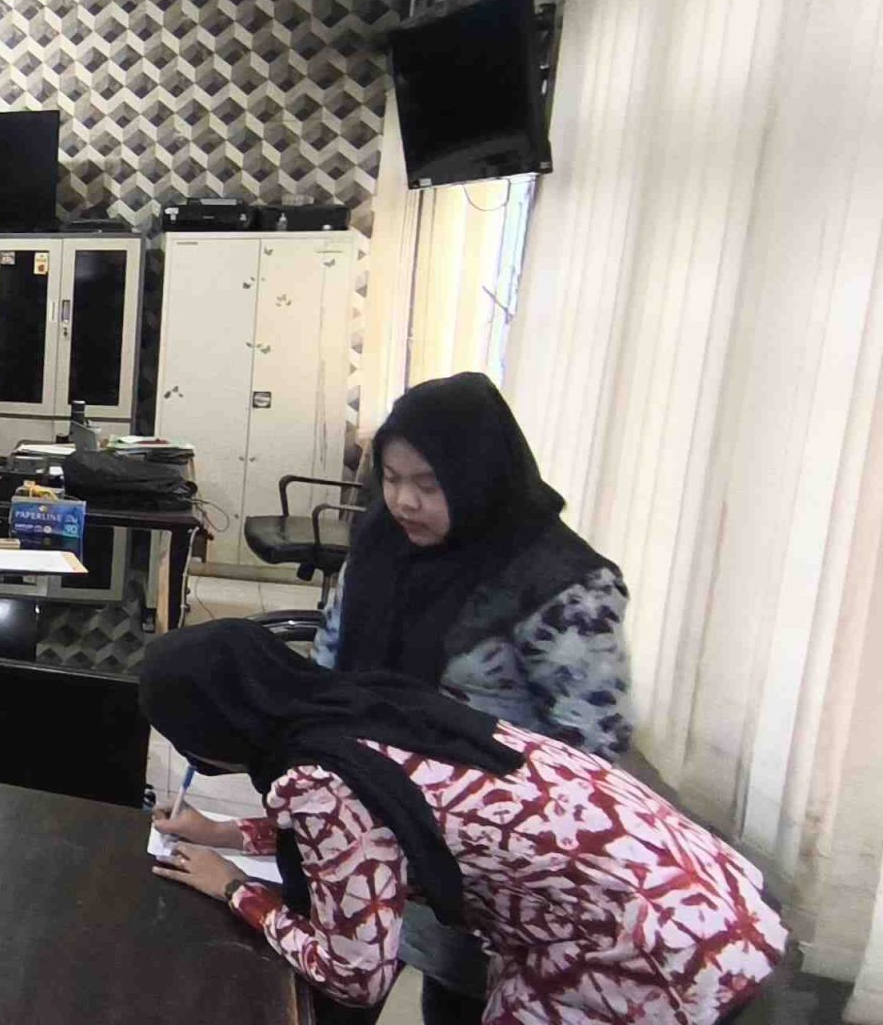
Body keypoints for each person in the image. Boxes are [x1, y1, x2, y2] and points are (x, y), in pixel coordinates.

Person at [142, 620, 785, 1025]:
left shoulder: (320, 782)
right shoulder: (365, 703)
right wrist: (228, 833)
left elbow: (354, 974)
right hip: (707, 894)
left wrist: (237, 889)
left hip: (648, 951)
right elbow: (386, 824)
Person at [322, 373, 633, 1019]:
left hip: (485, 853)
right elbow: (330, 656)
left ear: (478, 476)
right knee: (333, 989)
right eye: (391, 478)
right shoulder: (381, 545)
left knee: (456, 999)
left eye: (429, 484)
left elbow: (590, 748)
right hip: (364, 818)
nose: (403, 501)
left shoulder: (558, 582)